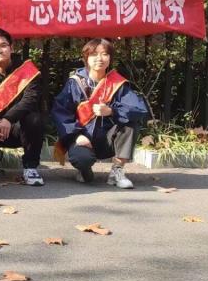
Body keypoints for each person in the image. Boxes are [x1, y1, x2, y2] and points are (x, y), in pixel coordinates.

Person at [51, 37, 149, 189]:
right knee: (82, 160)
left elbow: (139, 109)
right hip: (83, 137)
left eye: (104, 54)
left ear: (110, 58)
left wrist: (112, 111)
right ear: (86, 57)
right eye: (94, 54)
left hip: (108, 139)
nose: (100, 58)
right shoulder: (75, 83)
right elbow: (61, 113)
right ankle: (84, 171)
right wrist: (77, 135)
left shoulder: (117, 84)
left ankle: (117, 171)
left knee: (130, 124)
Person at [0, 28, 46, 185]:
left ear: (11, 48)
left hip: (19, 129)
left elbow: (30, 100)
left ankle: (30, 167)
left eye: (3, 45)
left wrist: (8, 119)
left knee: (35, 119)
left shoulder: (28, 72)